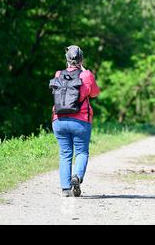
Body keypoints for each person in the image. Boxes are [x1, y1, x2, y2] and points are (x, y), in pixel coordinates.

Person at [51, 45, 100, 197]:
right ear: (81, 59)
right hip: (80, 121)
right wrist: (86, 72)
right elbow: (95, 93)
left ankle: (66, 189)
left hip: (58, 120)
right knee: (82, 152)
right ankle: (77, 177)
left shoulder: (59, 74)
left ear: (67, 59)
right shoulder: (86, 75)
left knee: (65, 153)